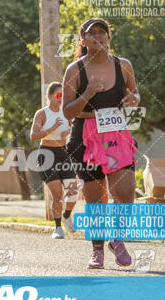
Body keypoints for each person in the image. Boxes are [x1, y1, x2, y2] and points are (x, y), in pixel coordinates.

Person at [62, 18, 140, 269]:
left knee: (126, 193)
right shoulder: (75, 70)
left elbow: (135, 92)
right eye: (91, 33)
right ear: (83, 40)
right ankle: (97, 250)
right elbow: (67, 111)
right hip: (85, 135)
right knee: (96, 199)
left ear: (109, 37)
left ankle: (117, 240)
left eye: (102, 32)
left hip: (116, 133)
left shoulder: (123, 65)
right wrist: (88, 94)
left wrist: (133, 99)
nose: (97, 36)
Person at [30, 82, 79, 239]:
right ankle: (57, 228)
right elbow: (33, 136)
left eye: (63, 95)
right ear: (50, 96)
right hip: (47, 154)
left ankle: (66, 215)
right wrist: (51, 129)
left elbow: (71, 132)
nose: (61, 98)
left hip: (63, 153)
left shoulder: (66, 113)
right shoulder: (42, 114)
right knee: (57, 195)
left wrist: (67, 135)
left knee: (73, 191)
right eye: (58, 95)